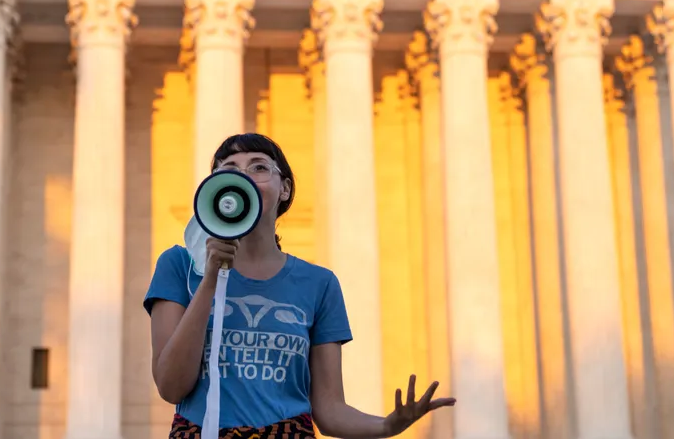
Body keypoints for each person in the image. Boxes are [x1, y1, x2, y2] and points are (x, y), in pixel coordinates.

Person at [143, 133, 455, 439]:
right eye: (230, 169)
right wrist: (211, 276)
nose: (245, 176)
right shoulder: (180, 266)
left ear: (285, 189)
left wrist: (387, 426)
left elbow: (330, 410)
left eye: (259, 167)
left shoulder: (319, 284)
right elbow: (171, 386)